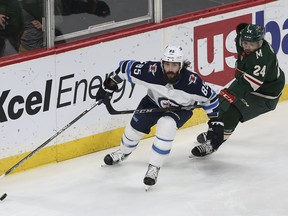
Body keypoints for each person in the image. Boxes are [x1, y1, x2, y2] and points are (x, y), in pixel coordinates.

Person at [95, 45, 224, 188]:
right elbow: (124, 68)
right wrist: (108, 86)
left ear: (180, 65)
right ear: (162, 63)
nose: (170, 68)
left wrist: (215, 121)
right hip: (152, 102)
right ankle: (123, 153)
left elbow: (211, 99)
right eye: (167, 64)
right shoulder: (150, 71)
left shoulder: (192, 83)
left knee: (166, 124)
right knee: (132, 133)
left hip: (180, 110)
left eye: (174, 65)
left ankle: (154, 167)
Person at [191, 23, 285, 157]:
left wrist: (227, 96)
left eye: (252, 44)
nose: (247, 47)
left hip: (265, 94)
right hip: (250, 82)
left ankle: (213, 143)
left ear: (260, 43)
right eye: (245, 43)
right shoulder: (242, 42)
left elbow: (247, 85)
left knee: (233, 111)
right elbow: (241, 32)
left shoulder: (262, 58)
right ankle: (215, 131)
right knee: (223, 107)